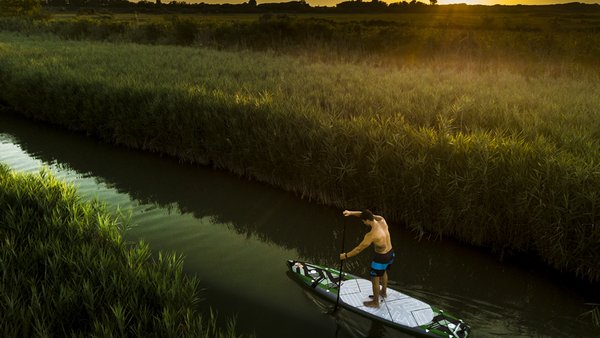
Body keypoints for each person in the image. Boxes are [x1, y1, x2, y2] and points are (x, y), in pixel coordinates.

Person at [339, 209, 394, 308]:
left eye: (363, 221)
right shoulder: (382, 220)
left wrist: (345, 255)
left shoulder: (371, 235)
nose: (363, 222)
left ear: (367, 220)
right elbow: (365, 214)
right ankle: (383, 292)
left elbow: (358, 249)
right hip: (390, 253)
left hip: (381, 258)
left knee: (375, 279)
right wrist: (351, 213)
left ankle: (375, 302)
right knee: (384, 272)